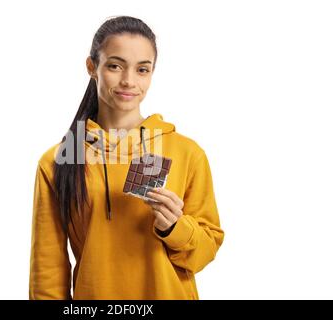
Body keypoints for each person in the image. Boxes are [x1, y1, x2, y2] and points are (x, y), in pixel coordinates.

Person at [29, 15, 224, 300]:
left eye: (142, 69)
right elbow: (47, 272)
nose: (129, 81)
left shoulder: (187, 152)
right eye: (115, 66)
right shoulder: (58, 160)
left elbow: (204, 253)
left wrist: (174, 227)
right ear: (92, 67)